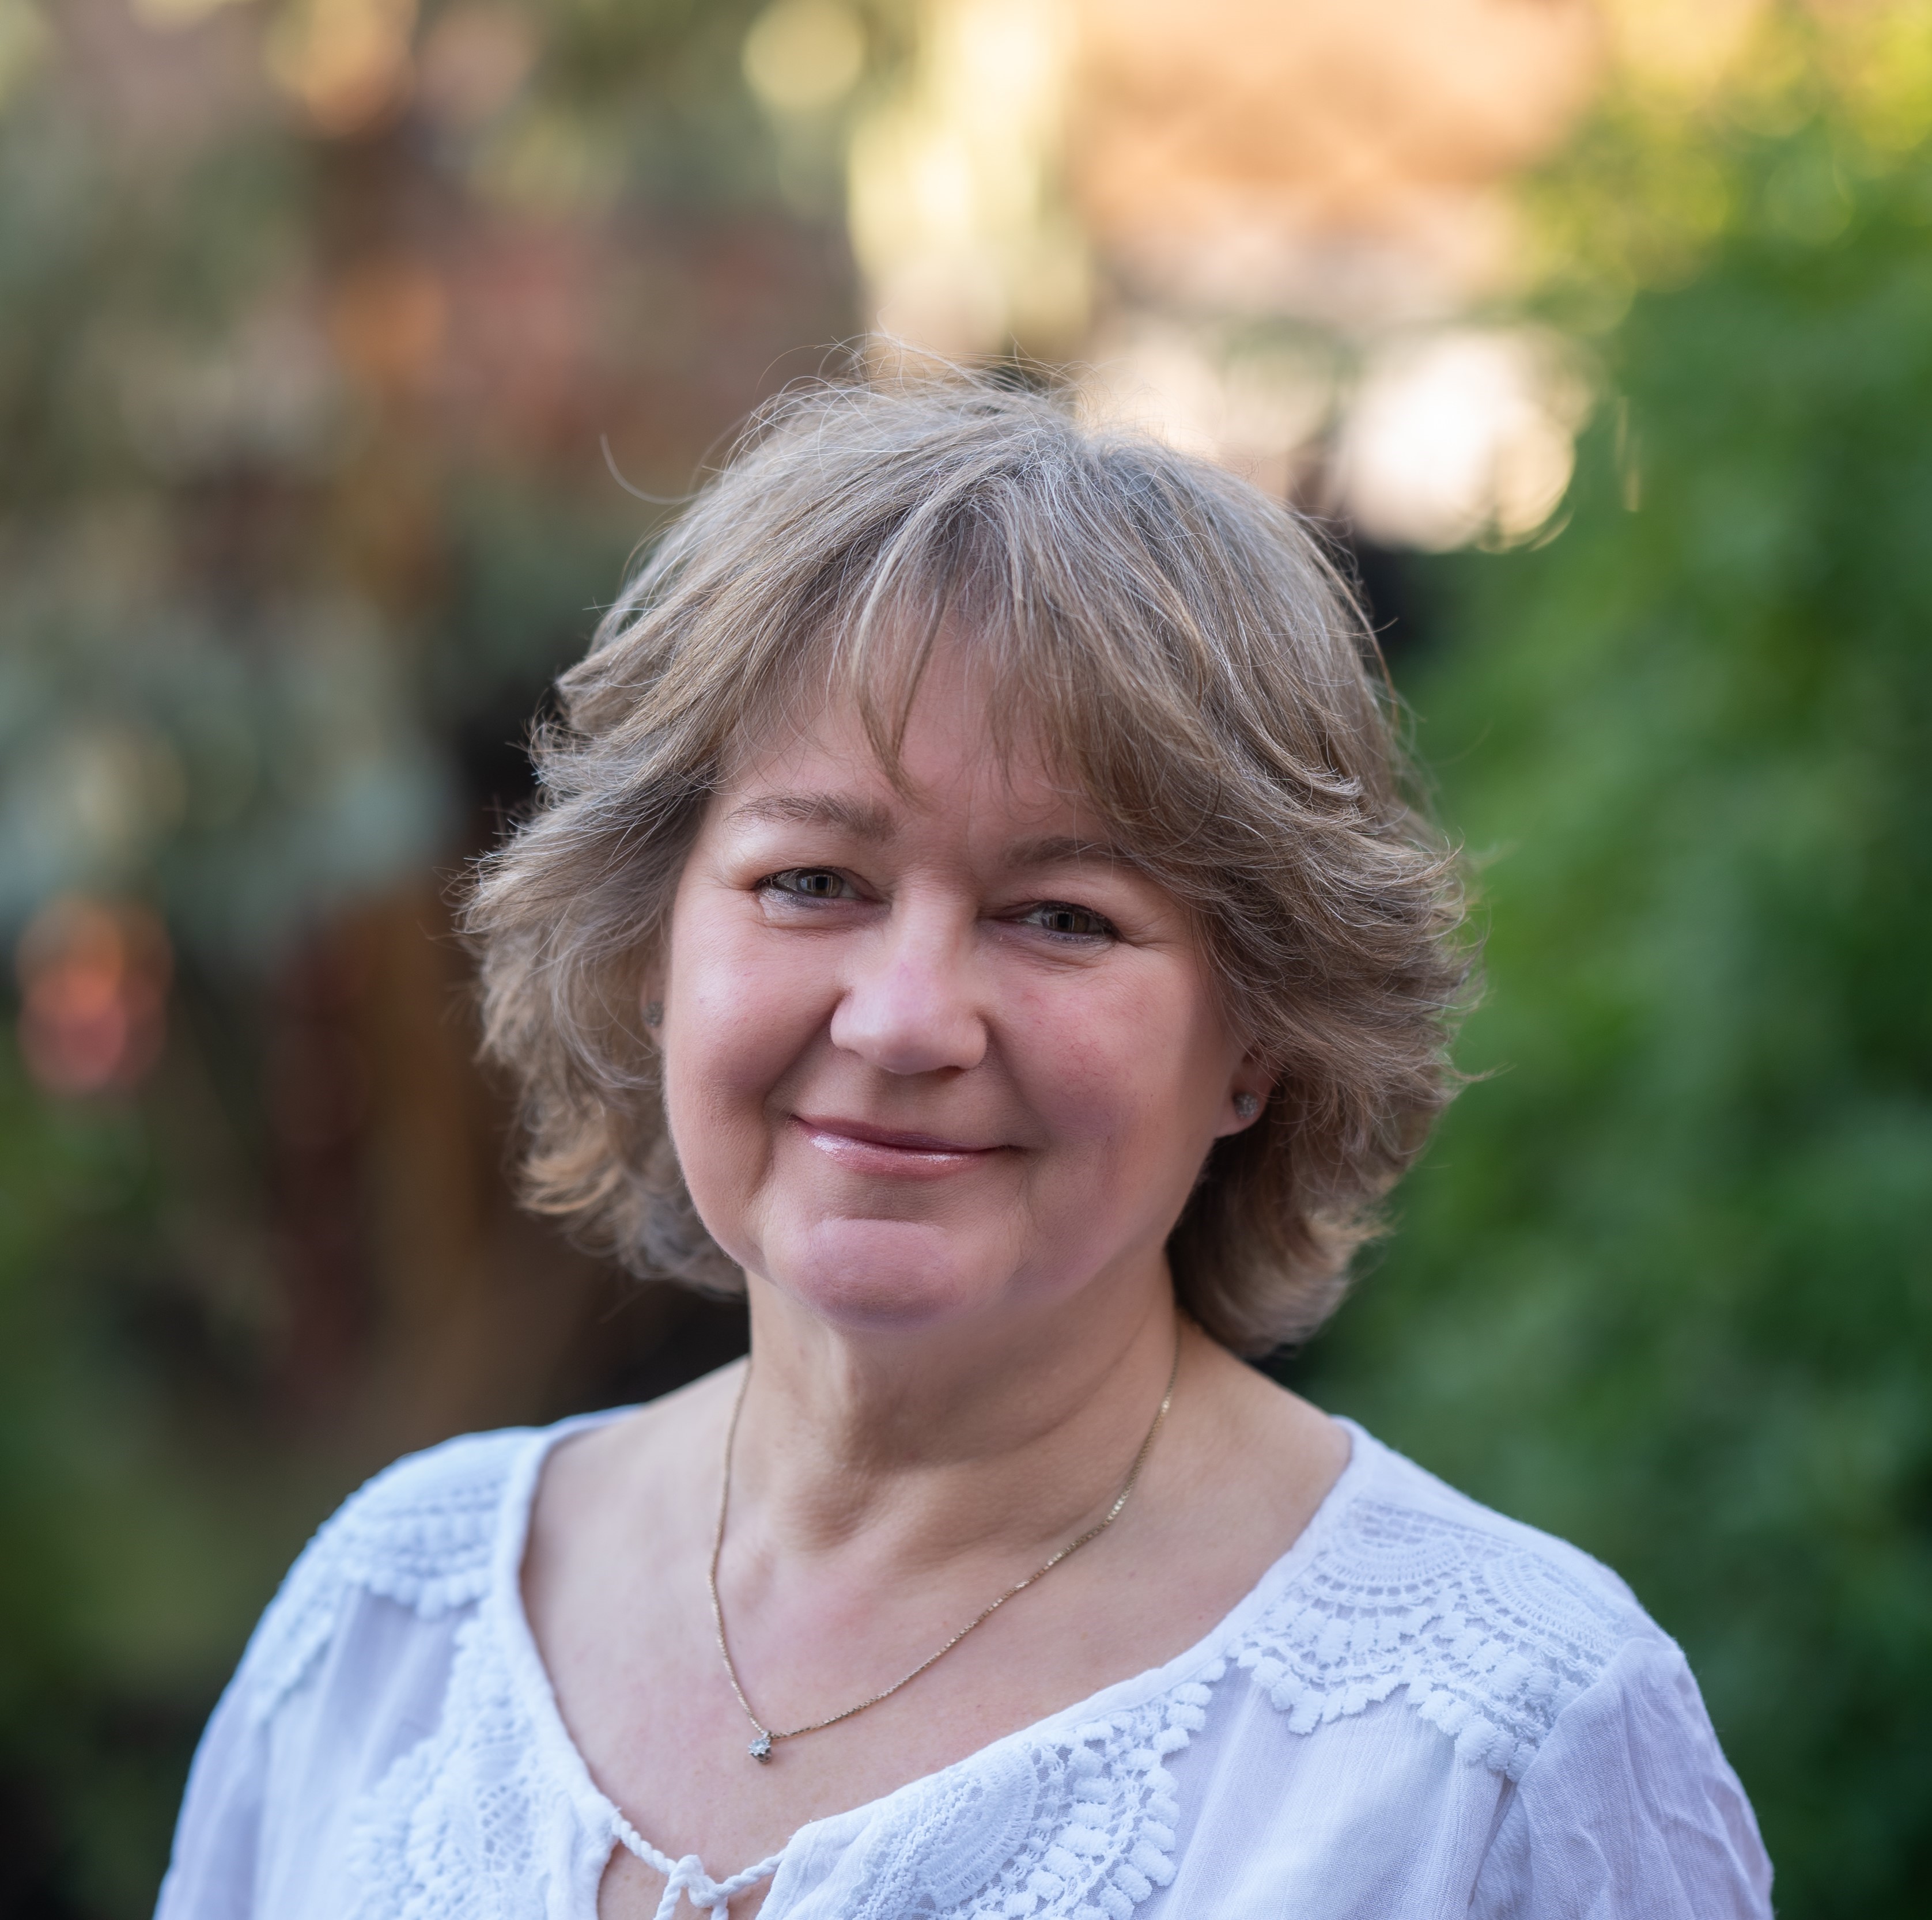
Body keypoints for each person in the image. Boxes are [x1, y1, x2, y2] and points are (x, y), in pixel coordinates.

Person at [155, 372, 1773, 1919]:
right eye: (811, 883)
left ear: (1260, 1039)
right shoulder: (396, 1621)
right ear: (653, 947)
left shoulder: (1494, 1759)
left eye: (1061, 915)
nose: (904, 1019)